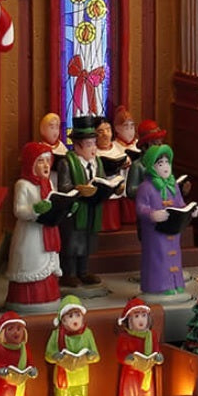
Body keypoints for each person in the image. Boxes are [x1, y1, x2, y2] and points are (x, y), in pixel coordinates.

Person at [56, 115, 120, 287]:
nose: (93, 149)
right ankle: (68, 273)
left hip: (92, 208)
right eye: (89, 144)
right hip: (75, 211)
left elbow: (102, 180)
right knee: (72, 243)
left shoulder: (97, 162)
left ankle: (83, 271)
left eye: (94, 143)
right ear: (77, 146)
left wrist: (113, 187)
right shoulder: (67, 163)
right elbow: (63, 187)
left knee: (87, 241)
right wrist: (78, 189)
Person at [4, 141, 62, 311]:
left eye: (48, 161)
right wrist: (34, 209)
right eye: (40, 161)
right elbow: (18, 210)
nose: (45, 165)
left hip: (48, 231)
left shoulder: (49, 183)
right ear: (31, 163)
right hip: (31, 235)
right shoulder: (23, 185)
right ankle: (28, 300)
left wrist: (64, 208)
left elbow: (54, 200)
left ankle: (49, 297)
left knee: (48, 262)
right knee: (32, 264)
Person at [136, 144, 188, 295]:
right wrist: (152, 214)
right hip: (155, 232)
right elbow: (140, 207)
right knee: (157, 258)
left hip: (172, 229)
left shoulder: (173, 185)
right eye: (160, 163)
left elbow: (180, 203)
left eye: (167, 162)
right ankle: (159, 285)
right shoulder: (146, 187)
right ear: (152, 166)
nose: (165, 166)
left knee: (175, 256)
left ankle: (175, 282)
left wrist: (189, 210)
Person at [44, 295, 100, 396]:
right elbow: (48, 355)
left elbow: (97, 355)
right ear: (63, 320)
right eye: (70, 316)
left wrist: (91, 356)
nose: (75, 319)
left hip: (81, 378)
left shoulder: (87, 333)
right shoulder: (56, 335)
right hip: (63, 379)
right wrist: (56, 357)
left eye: (78, 315)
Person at [0, 312, 37, 396]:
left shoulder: (24, 349)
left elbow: (30, 363)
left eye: (19, 329)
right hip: (4, 386)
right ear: (3, 333)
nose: (16, 332)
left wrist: (32, 370)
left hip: (19, 387)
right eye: (10, 329)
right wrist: (0, 371)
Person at [116, 298, 164, 396]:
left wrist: (158, 357)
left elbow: (156, 349)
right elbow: (120, 354)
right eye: (136, 316)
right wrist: (127, 358)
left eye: (144, 315)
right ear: (130, 319)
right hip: (131, 373)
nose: (141, 320)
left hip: (146, 373)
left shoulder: (152, 335)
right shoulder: (125, 337)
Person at [95, 118, 126, 233]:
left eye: (108, 130)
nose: (105, 135)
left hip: (116, 186)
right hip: (102, 189)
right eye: (100, 131)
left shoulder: (117, 148)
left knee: (113, 213)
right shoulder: (94, 151)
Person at [112, 106, 140, 225]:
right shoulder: (113, 147)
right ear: (117, 129)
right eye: (126, 127)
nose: (130, 131)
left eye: (132, 126)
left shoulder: (139, 145)